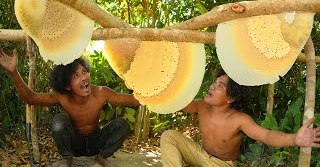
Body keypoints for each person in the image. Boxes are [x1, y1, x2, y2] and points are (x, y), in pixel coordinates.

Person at [0, 47, 140, 167]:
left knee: (122, 124)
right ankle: (67, 158)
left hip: (96, 141)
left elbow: (133, 100)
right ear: (67, 86)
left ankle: (101, 157)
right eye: (76, 76)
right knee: (58, 121)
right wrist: (14, 72)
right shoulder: (62, 97)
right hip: (75, 143)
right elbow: (30, 98)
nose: (84, 77)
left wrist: (154, 86)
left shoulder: (102, 93)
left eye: (84, 72)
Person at [160, 68, 320, 167]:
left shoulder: (239, 119)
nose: (212, 86)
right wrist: (147, 93)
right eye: (215, 83)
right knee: (169, 136)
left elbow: (267, 135)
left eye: (220, 86)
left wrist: (295, 139)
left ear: (231, 98)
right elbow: (175, 102)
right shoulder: (201, 105)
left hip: (221, 165)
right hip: (199, 155)